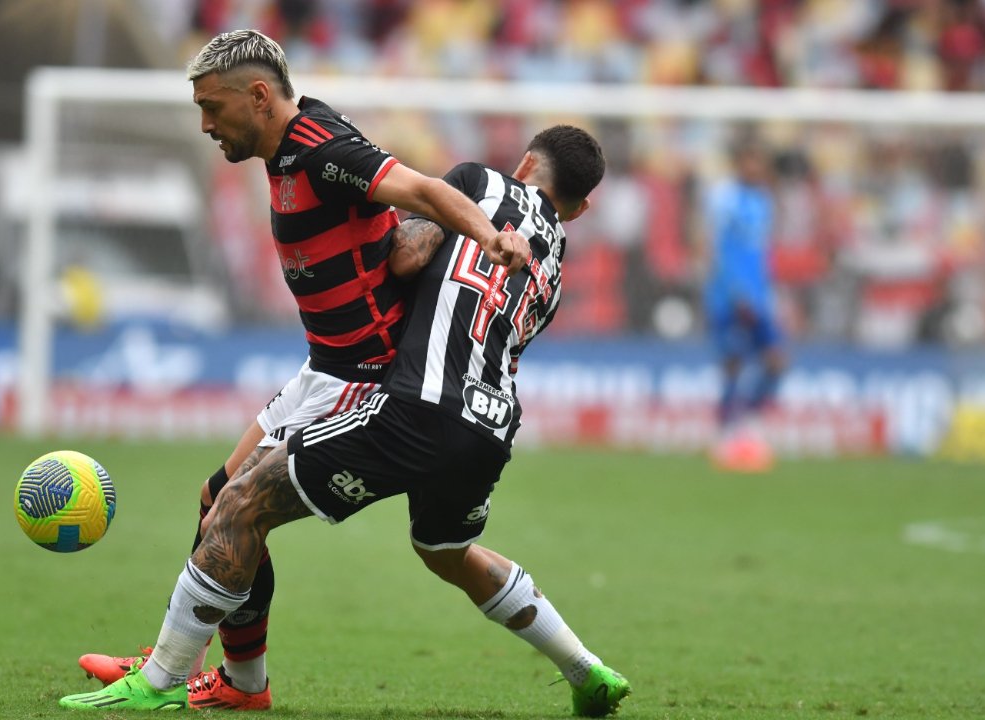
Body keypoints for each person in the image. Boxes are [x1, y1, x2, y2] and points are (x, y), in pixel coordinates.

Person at [59, 125, 632, 717]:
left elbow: (407, 256)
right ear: (581, 206)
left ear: (526, 162)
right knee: (446, 551)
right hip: (489, 428)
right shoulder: (556, 267)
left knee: (238, 503)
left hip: (416, 407)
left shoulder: (478, 184)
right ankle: (585, 667)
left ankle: (165, 678)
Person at [76, 29, 529, 710]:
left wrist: (489, 236)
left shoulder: (323, 151)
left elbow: (423, 189)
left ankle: (184, 671)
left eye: (212, 107)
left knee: (236, 510)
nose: (204, 124)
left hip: (362, 376)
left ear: (259, 97)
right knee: (216, 502)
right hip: (323, 366)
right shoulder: (286, 142)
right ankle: (232, 679)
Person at [703, 138, 785, 472]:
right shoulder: (724, 198)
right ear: (739, 164)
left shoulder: (764, 200)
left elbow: (760, 253)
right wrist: (735, 292)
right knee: (734, 362)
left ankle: (749, 422)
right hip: (729, 296)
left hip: (759, 295)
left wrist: (766, 291)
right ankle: (725, 433)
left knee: (776, 361)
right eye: (750, 162)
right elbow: (713, 247)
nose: (756, 169)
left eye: (760, 163)